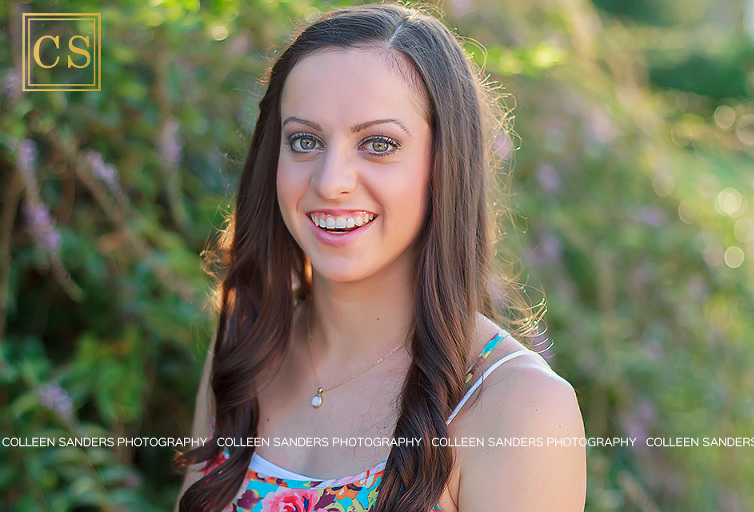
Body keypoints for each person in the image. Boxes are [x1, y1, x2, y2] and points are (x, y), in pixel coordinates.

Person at [175, 3, 586, 511]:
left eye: (379, 144)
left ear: (444, 166)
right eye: (304, 140)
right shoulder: (244, 349)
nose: (331, 182)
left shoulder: (520, 408)